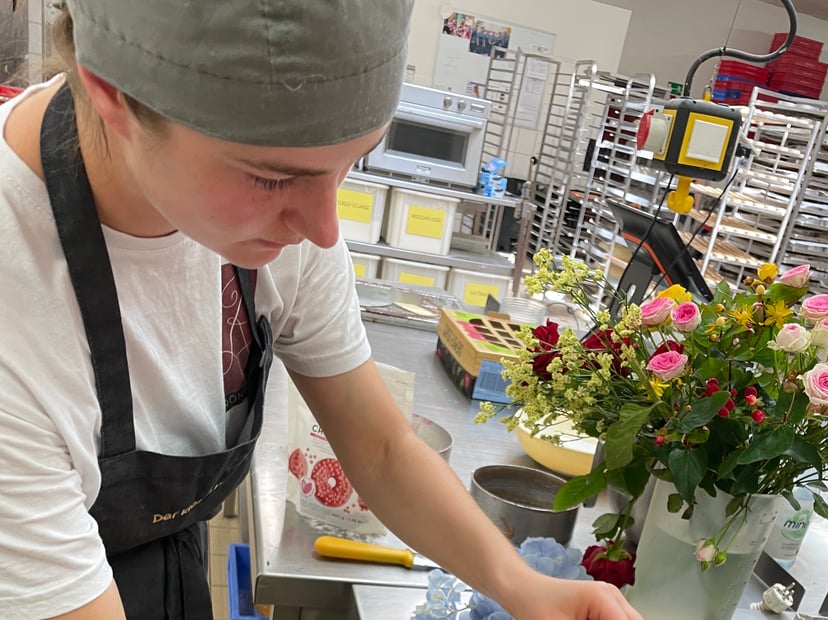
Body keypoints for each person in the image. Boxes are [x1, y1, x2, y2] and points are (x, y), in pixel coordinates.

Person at [0, 1, 642, 619]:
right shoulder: (17, 293)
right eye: (273, 178)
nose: (324, 229)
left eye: (347, 166)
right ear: (113, 94)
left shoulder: (270, 220)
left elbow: (381, 447)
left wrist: (524, 589)